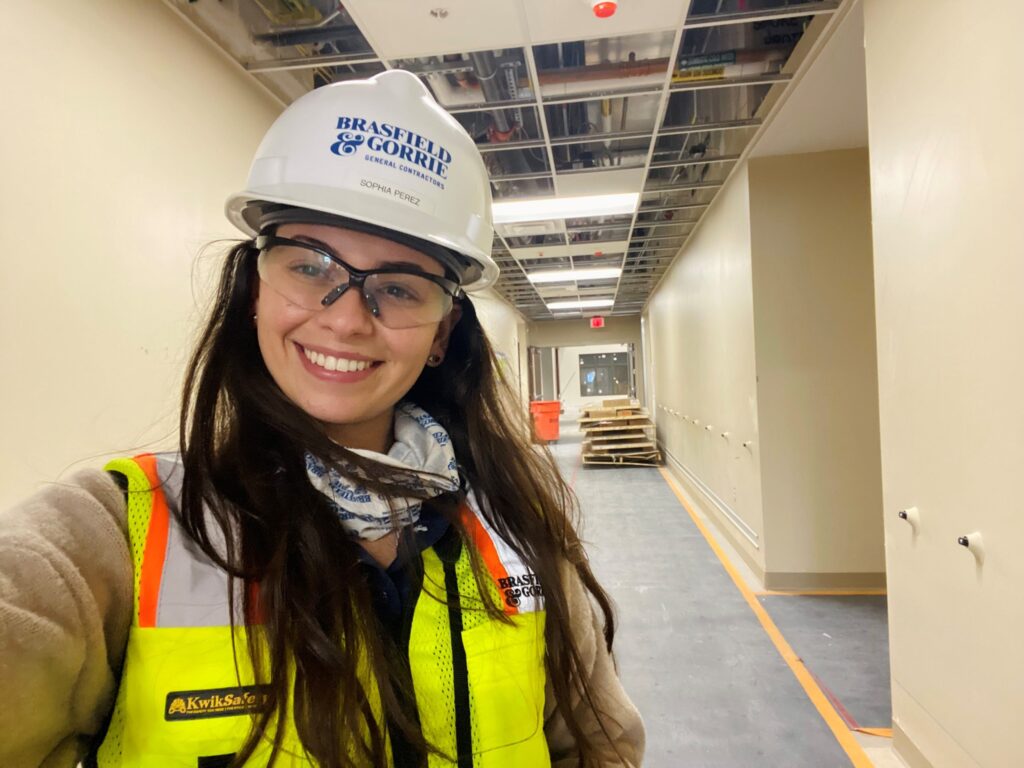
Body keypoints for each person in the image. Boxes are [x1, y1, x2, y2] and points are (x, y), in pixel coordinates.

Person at [0, 69, 644, 767]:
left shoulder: (514, 525)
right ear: (254, 289)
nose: (344, 318)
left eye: (397, 287)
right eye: (310, 266)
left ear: (441, 333)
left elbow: (599, 747)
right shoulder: (112, 537)